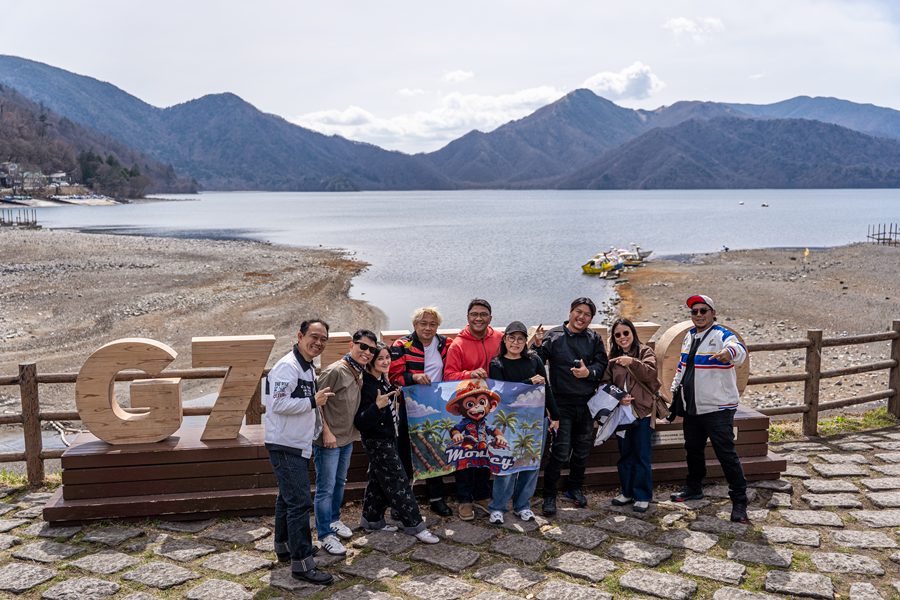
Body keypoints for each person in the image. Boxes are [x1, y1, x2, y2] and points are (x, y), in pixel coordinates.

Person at [263, 318, 335, 585]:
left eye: (323, 339)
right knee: (300, 504)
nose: (318, 342)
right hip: (285, 444)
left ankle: (284, 547)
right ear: (300, 336)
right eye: (314, 336)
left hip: (296, 443)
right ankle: (302, 564)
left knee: (287, 499)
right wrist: (313, 400)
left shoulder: (306, 367)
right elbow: (278, 404)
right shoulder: (288, 366)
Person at [670, 294, 750, 524]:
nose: (698, 315)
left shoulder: (722, 335)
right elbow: (682, 367)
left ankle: (739, 501)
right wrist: (674, 391)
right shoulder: (689, 336)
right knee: (693, 450)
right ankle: (694, 488)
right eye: (694, 311)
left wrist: (729, 353)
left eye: (703, 310)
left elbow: (739, 350)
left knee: (726, 455)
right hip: (693, 407)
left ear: (713, 313)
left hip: (718, 408)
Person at [354, 343, 441, 544]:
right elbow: (361, 422)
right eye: (380, 358)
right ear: (371, 361)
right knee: (398, 480)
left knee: (377, 480)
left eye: (387, 358)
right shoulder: (368, 386)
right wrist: (377, 406)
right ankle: (415, 525)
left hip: (388, 437)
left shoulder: (382, 380)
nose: (386, 362)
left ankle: (372, 519)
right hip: (377, 441)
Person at [532, 297, 608, 516]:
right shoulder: (554, 336)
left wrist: (588, 372)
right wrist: (536, 345)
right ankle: (549, 495)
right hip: (561, 403)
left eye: (587, 314)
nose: (581, 317)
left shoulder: (594, 338)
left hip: (586, 403)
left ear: (591, 319)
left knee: (582, 451)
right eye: (578, 312)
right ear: (570, 312)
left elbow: (602, 364)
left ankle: (575, 488)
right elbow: (537, 362)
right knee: (560, 451)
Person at [487, 320, 559, 524]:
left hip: (534, 421)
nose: (516, 343)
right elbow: (502, 393)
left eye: (520, 339)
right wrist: (528, 383)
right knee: (506, 465)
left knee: (530, 464)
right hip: (508, 422)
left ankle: (522, 505)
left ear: (525, 341)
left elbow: (546, 388)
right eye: (512, 338)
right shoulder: (497, 364)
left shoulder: (534, 360)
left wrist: (555, 415)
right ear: (505, 340)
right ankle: (498, 507)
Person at [314, 328, 377, 555]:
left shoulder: (358, 370)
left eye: (371, 350)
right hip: (329, 440)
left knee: (340, 482)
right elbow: (316, 403)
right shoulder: (335, 370)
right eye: (363, 346)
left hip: (347, 437)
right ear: (352, 345)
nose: (367, 352)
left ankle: (333, 519)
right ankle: (324, 534)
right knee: (325, 488)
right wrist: (326, 432)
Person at [388, 307, 452, 517]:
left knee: (435, 450)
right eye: (423, 323)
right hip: (409, 406)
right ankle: (402, 501)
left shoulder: (445, 344)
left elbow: (453, 369)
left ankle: (436, 498)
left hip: (437, 405)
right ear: (415, 325)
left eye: (432, 324)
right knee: (405, 453)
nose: (427, 328)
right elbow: (393, 376)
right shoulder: (402, 345)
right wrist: (413, 377)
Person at [443, 298, 503, 520]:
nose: (479, 318)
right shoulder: (458, 344)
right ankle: (464, 500)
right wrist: (469, 374)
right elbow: (448, 375)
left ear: (490, 317)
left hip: (489, 408)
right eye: (474, 314)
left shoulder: (500, 338)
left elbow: (515, 357)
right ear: (468, 317)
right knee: (466, 457)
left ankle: (482, 495)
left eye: (483, 314)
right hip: (468, 407)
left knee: (485, 453)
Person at [602, 318, 660, 513]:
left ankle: (642, 495)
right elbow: (605, 383)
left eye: (625, 333)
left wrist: (632, 362)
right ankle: (626, 492)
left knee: (642, 454)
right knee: (625, 453)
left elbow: (650, 374)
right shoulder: (613, 358)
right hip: (622, 413)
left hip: (642, 412)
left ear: (633, 333)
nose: (622, 337)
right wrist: (618, 397)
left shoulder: (645, 352)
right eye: (618, 335)